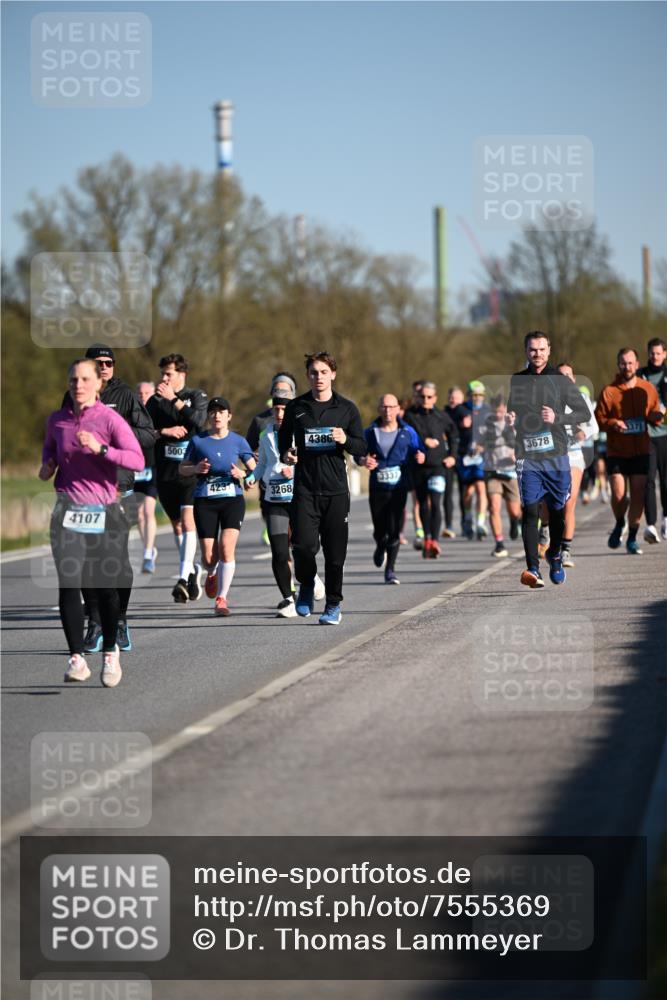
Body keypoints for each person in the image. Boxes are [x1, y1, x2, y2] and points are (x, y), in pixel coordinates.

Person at [40, 359, 145, 687]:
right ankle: (77, 659)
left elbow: (136, 459)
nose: (79, 384)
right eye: (73, 379)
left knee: (106, 588)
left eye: (85, 379)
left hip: (104, 510)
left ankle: (111, 653)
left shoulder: (109, 419)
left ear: (98, 384)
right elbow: (49, 452)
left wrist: (102, 449)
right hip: (67, 511)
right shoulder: (57, 421)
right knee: (69, 584)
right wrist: (48, 465)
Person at [66, 346, 154, 655]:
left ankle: (118, 620)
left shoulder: (126, 395)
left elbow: (148, 434)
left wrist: (116, 431)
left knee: (116, 559)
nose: (105, 367)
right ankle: (95, 623)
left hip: (118, 487)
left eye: (109, 363)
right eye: (98, 363)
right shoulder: (74, 394)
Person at [278, 351, 367, 625]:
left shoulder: (346, 408)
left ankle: (333, 605)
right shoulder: (297, 407)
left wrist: (345, 440)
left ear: (333, 374)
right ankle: (306, 584)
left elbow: (362, 447)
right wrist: (287, 455)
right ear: (308, 376)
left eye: (324, 372)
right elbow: (283, 441)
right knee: (302, 547)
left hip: (336, 491)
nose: (319, 377)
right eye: (314, 372)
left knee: (334, 555)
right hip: (305, 488)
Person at [507, 331, 591, 588]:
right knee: (530, 511)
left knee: (557, 512)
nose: (537, 354)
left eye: (542, 349)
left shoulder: (560, 380)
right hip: (528, 456)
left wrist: (558, 417)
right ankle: (533, 568)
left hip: (556, 457)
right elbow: (514, 409)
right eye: (532, 349)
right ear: (526, 351)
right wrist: (511, 419)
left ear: (549, 351)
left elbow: (583, 412)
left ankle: (554, 555)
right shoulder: (517, 380)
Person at [180, 397, 256, 616]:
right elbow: (182, 469)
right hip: (205, 501)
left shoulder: (239, 441)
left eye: (221, 411)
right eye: (212, 412)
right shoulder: (198, 441)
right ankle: (211, 572)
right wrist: (196, 468)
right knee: (209, 557)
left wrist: (242, 474)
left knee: (226, 548)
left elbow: (254, 471)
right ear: (209, 417)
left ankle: (222, 599)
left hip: (232, 499)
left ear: (229, 416)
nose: (217, 415)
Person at [146, 354, 208, 602]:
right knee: (177, 525)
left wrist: (175, 401)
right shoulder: (154, 401)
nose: (163, 378)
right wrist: (164, 431)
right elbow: (142, 432)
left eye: (168, 374)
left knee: (187, 518)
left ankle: (182, 577)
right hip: (166, 472)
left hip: (191, 472)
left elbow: (200, 423)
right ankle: (192, 568)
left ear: (182, 375)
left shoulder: (196, 396)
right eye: (162, 373)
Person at [595, 347, 663, 555]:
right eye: (623, 363)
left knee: (638, 495)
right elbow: (599, 419)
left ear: (636, 363)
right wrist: (613, 423)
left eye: (631, 362)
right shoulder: (609, 391)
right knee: (618, 494)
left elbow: (656, 412)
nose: (627, 367)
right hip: (617, 450)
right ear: (618, 365)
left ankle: (632, 537)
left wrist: (655, 416)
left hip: (641, 449)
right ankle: (619, 522)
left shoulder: (647, 388)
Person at [357, 393, 425, 584]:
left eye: (391, 407)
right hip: (377, 487)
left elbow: (419, 450)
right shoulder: (370, 432)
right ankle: (380, 545)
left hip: (399, 487)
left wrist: (421, 457)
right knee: (380, 529)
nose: (387, 410)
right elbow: (358, 453)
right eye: (384, 407)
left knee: (394, 530)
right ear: (379, 409)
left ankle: (390, 570)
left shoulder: (407, 431)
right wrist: (363, 460)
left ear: (397, 409)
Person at [254, 391, 300, 616]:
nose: (280, 414)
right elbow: (262, 464)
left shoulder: (300, 432)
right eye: (276, 410)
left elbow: (312, 462)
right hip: (274, 499)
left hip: (300, 500)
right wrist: (250, 477)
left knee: (305, 548)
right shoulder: (265, 435)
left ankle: (310, 581)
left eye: (284, 409)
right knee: (279, 552)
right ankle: (288, 598)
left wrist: (296, 468)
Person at [403, 381, 458, 558]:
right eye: (422, 396)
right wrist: (422, 441)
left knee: (435, 502)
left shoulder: (441, 416)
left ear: (434, 398)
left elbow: (454, 435)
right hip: (418, 467)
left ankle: (434, 540)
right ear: (417, 397)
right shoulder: (410, 416)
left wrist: (453, 456)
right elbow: (405, 435)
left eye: (429, 396)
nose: (426, 399)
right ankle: (426, 538)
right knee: (423, 505)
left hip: (438, 467)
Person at [246, 372, 299, 547]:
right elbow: (248, 451)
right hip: (270, 487)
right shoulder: (260, 421)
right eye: (277, 390)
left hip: (296, 490)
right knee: (281, 545)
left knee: (296, 539)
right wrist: (251, 471)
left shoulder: (301, 421)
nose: (280, 394)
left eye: (285, 391)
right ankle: (287, 566)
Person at [556, 365, 598, 567]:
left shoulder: (581, 400)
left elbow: (593, 427)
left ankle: (566, 549)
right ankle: (545, 527)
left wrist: (582, 433)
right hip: (552, 456)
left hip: (573, 455)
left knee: (569, 502)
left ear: (573, 379)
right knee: (549, 503)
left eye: (568, 375)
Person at [482, 394, 521, 558]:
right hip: (493, 471)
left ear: (506, 409)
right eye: (495, 411)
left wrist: (517, 455)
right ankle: (499, 543)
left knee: (514, 510)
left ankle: (514, 521)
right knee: (494, 508)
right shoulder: (486, 425)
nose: (498, 414)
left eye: (501, 411)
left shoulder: (514, 424)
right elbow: (478, 442)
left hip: (511, 471)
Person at [638, 338, 667, 543]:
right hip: (646, 435)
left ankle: (666, 519)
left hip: (665, 434)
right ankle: (650, 525)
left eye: (658, 353)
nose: (655, 356)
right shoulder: (640, 375)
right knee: (648, 480)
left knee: (665, 480)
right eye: (652, 353)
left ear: (665, 354)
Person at [134, 381, 158, 573]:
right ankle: (148, 548)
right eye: (140, 393)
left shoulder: (158, 410)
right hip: (134, 467)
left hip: (152, 466)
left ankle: (148, 554)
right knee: (138, 514)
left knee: (148, 510)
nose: (143, 396)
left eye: (147, 392)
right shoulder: (130, 412)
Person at [442, 386, 465, 537]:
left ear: (462, 399)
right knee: (447, 493)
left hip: (464, 457)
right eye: (451, 397)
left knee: (464, 493)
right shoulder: (442, 414)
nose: (453, 400)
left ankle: (465, 522)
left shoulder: (467, 413)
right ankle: (449, 525)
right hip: (449, 457)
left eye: (456, 397)